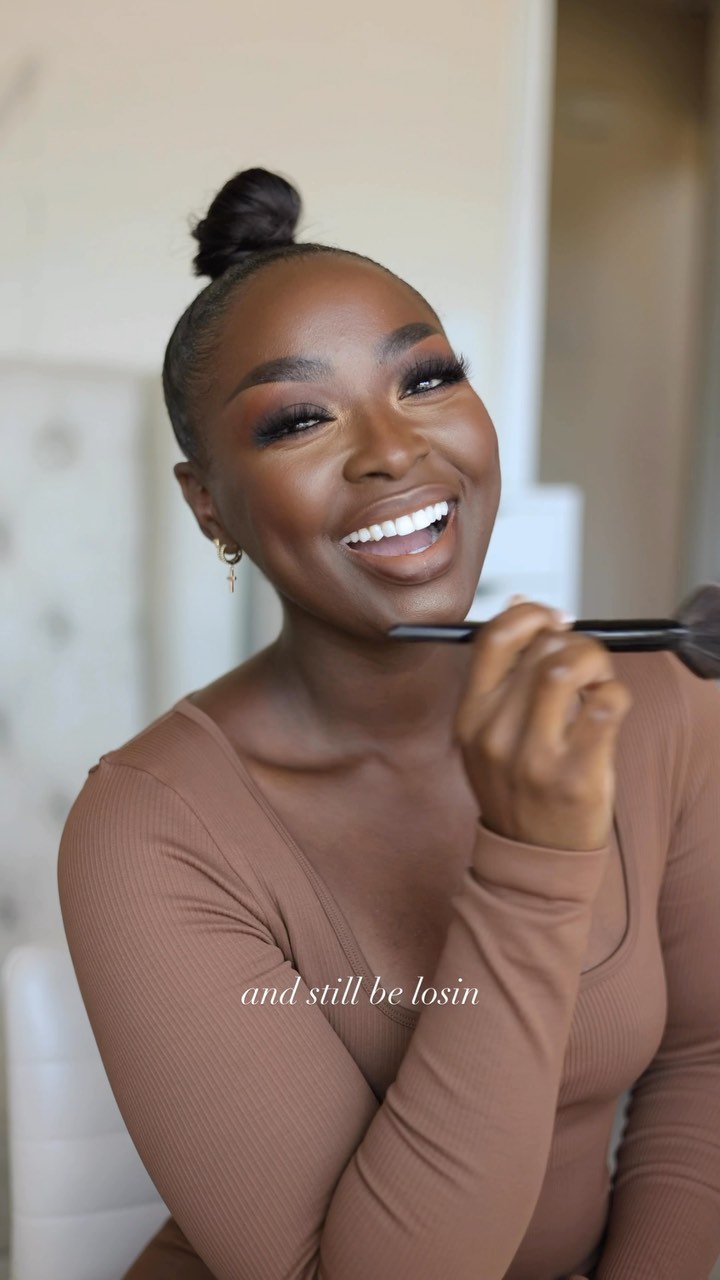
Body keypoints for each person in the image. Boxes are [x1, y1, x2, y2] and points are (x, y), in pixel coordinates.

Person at [57, 167, 720, 1280]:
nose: (393, 450)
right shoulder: (148, 831)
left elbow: (705, 1059)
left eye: (428, 378)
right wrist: (533, 863)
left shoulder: (657, 704)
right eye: (299, 419)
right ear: (208, 501)